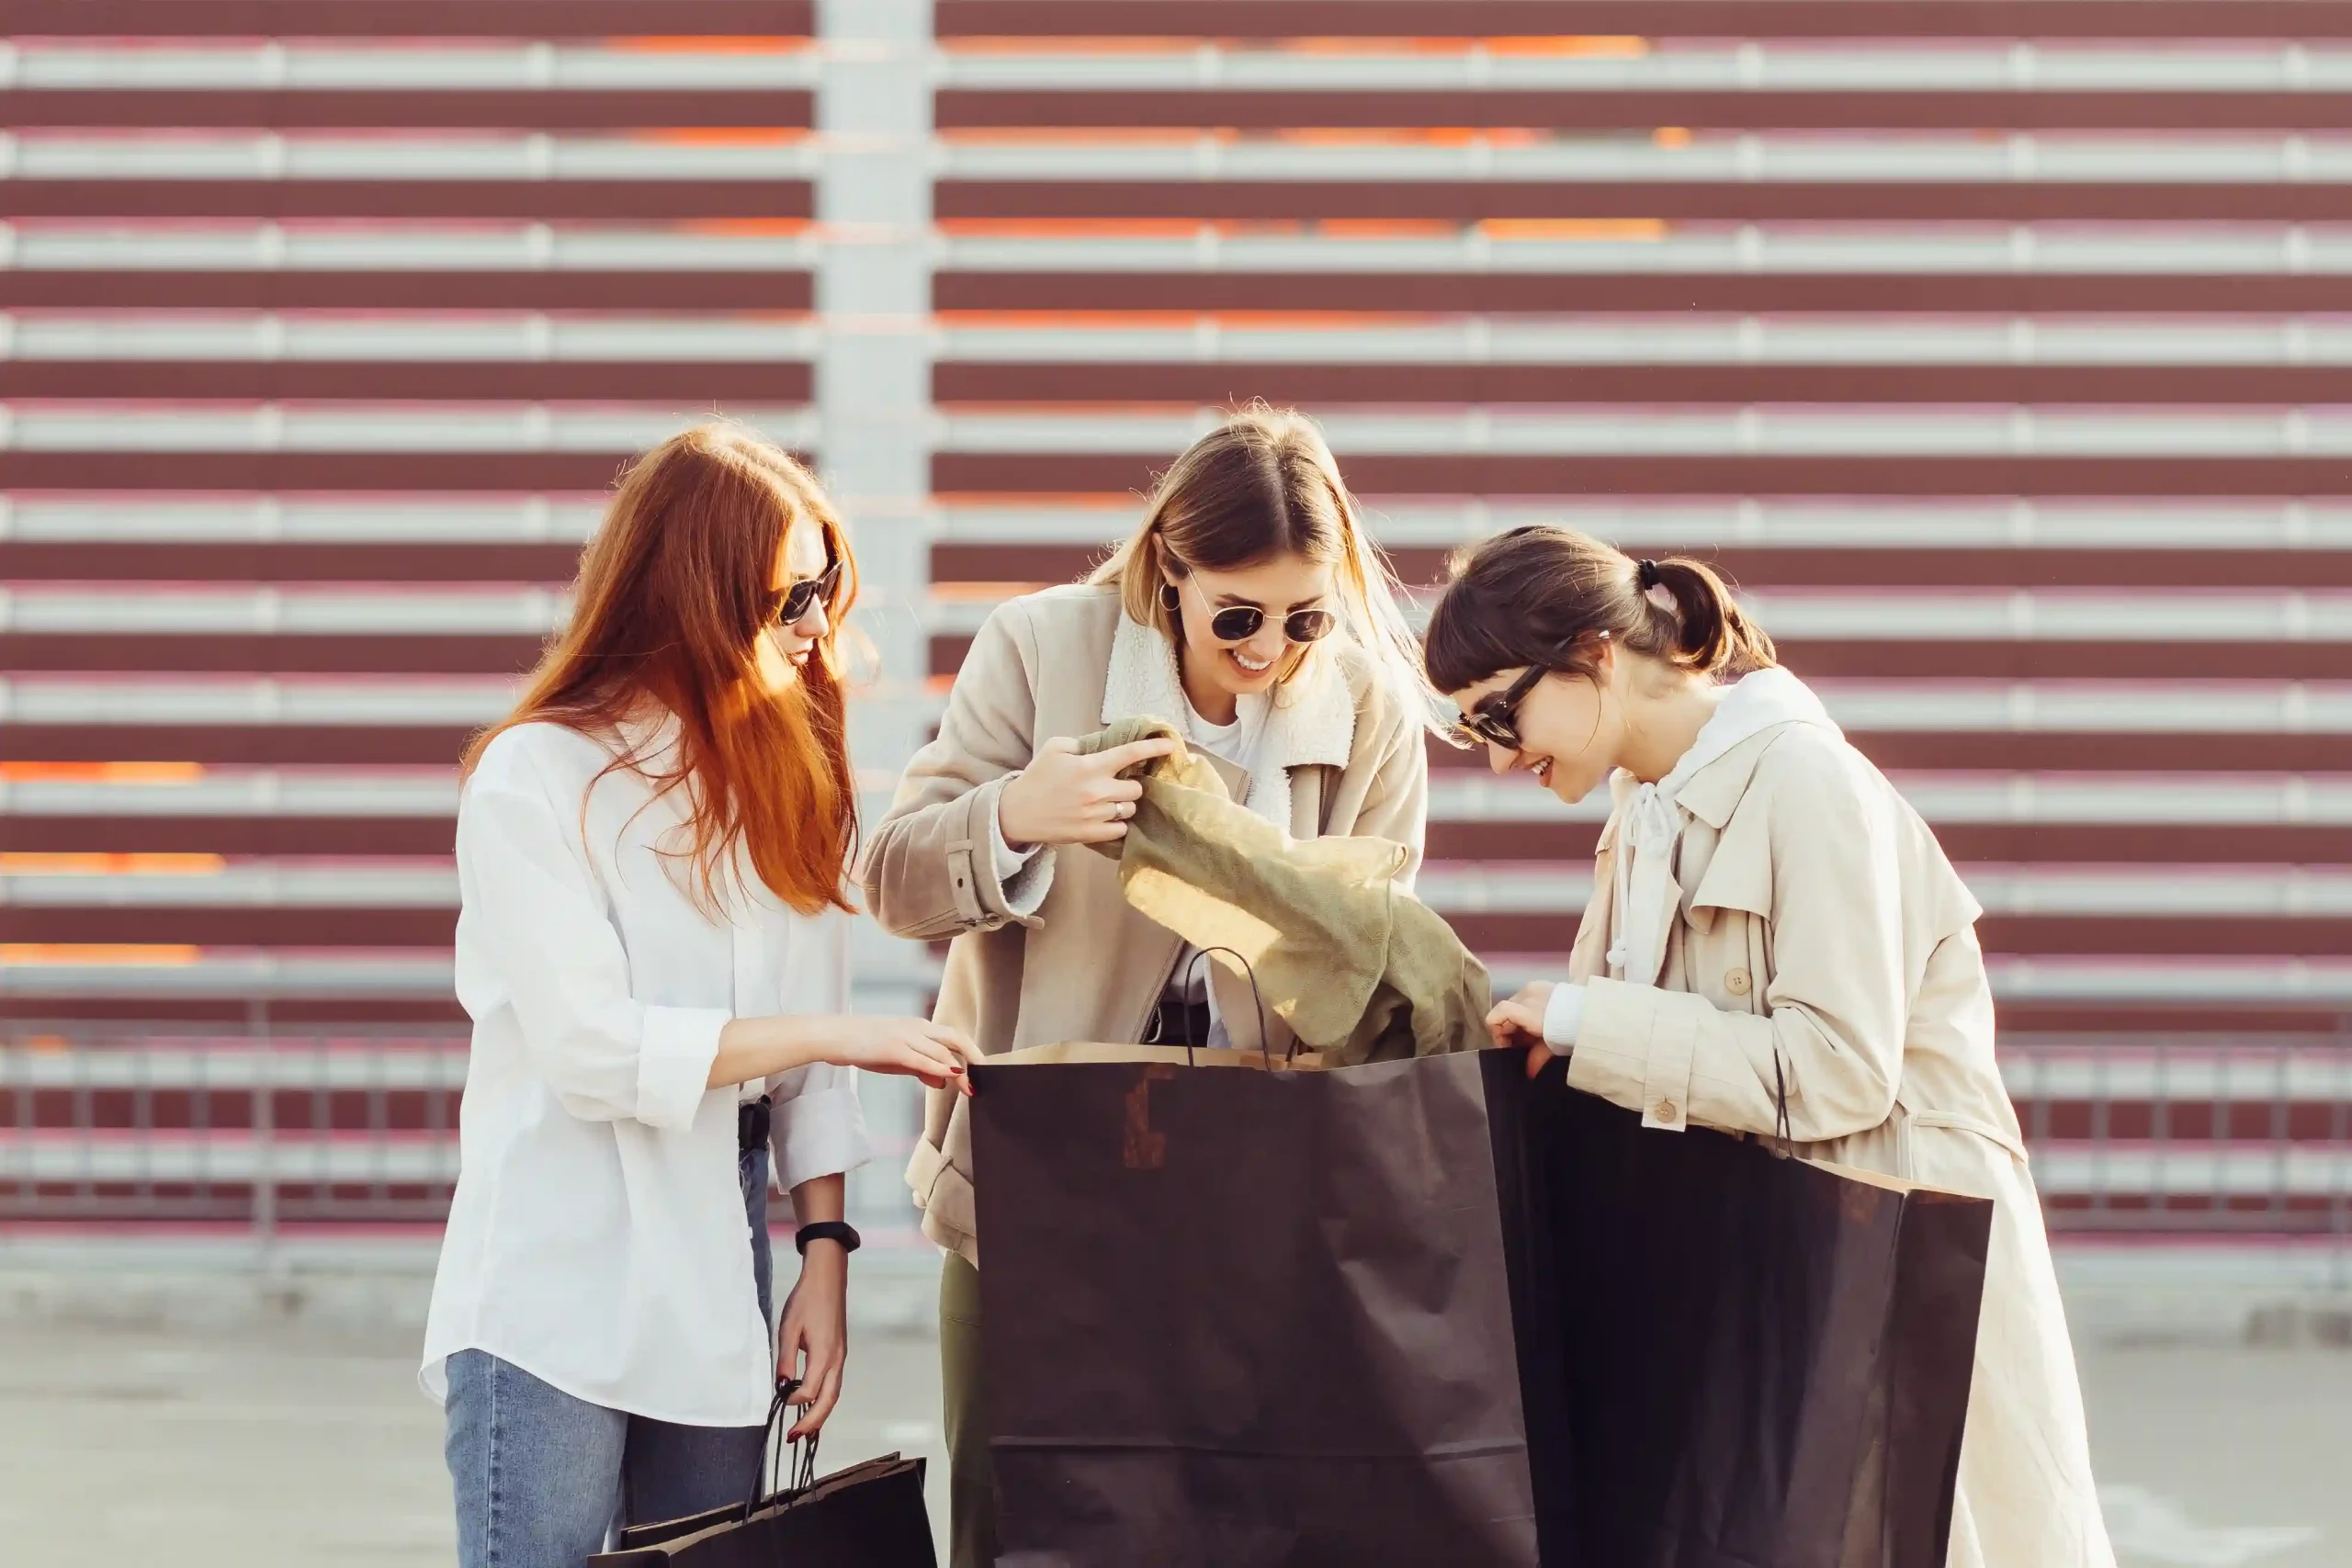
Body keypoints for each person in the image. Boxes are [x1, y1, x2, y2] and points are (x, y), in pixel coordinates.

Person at [1425, 525, 2115, 1567]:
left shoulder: (1808, 781)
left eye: (1496, 711)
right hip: (1778, 1279)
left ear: (1596, 657)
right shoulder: (1643, 812)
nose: (1496, 753)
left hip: (1896, 1269)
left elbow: (1837, 1073)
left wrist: (1584, 1021)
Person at [862, 406, 1441, 1567]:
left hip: (1255, 1182)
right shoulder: (1041, 647)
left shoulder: (1367, 708)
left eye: (1305, 617)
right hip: (1037, 1168)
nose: (1269, 648)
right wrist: (1018, 815)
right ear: (1168, 571)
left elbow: (1383, 968)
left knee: (1225, 1523)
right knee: (1011, 1507)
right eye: (1237, 613)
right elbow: (890, 879)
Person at [422, 424, 979, 1568]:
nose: (817, 626)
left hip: (721, 1280)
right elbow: (591, 1053)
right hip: (552, 1282)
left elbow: (809, 1083)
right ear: (688, 594)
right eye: (788, 598)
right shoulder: (536, 777)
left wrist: (823, 1250)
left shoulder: (787, 782)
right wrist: (838, 1032)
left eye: (824, 590)